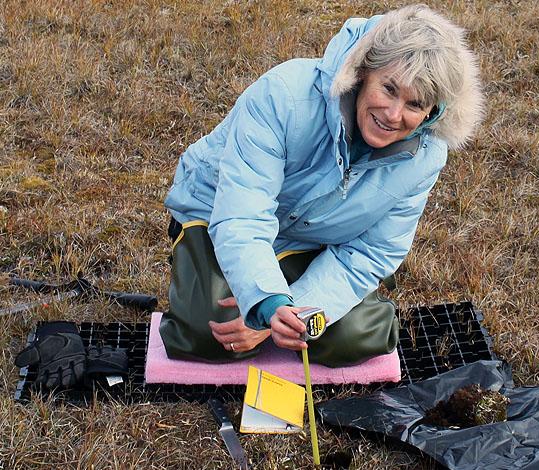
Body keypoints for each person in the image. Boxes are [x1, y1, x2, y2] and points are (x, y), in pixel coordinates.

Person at [160, 4, 484, 366]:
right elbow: (243, 215)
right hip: (215, 210)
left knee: (354, 338)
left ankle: (356, 307)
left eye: (415, 104)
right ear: (363, 73)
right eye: (389, 89)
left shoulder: (426, 156)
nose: (394, 115)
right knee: (210, 334)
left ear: (433, 113)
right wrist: (267, 301)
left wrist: (289, 313)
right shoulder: (283, 95)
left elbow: (372, 252)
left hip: (316, 236)